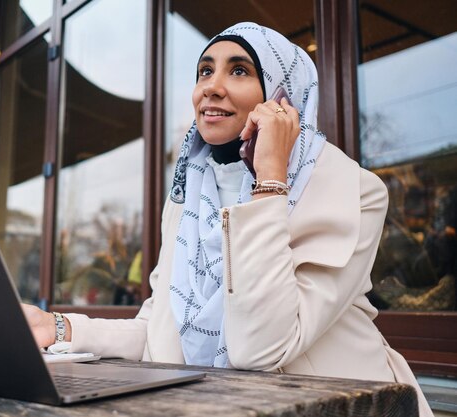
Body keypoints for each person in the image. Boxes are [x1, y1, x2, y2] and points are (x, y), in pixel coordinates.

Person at [22, 22, 432, 416]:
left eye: (238, 70)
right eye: (204, 71)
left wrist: (269, 180)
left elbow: (261, 348)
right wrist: (58, 327)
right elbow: (161, 328)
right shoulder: (188, 197)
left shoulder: (353, 189)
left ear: (282, 97)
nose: (210, 87)